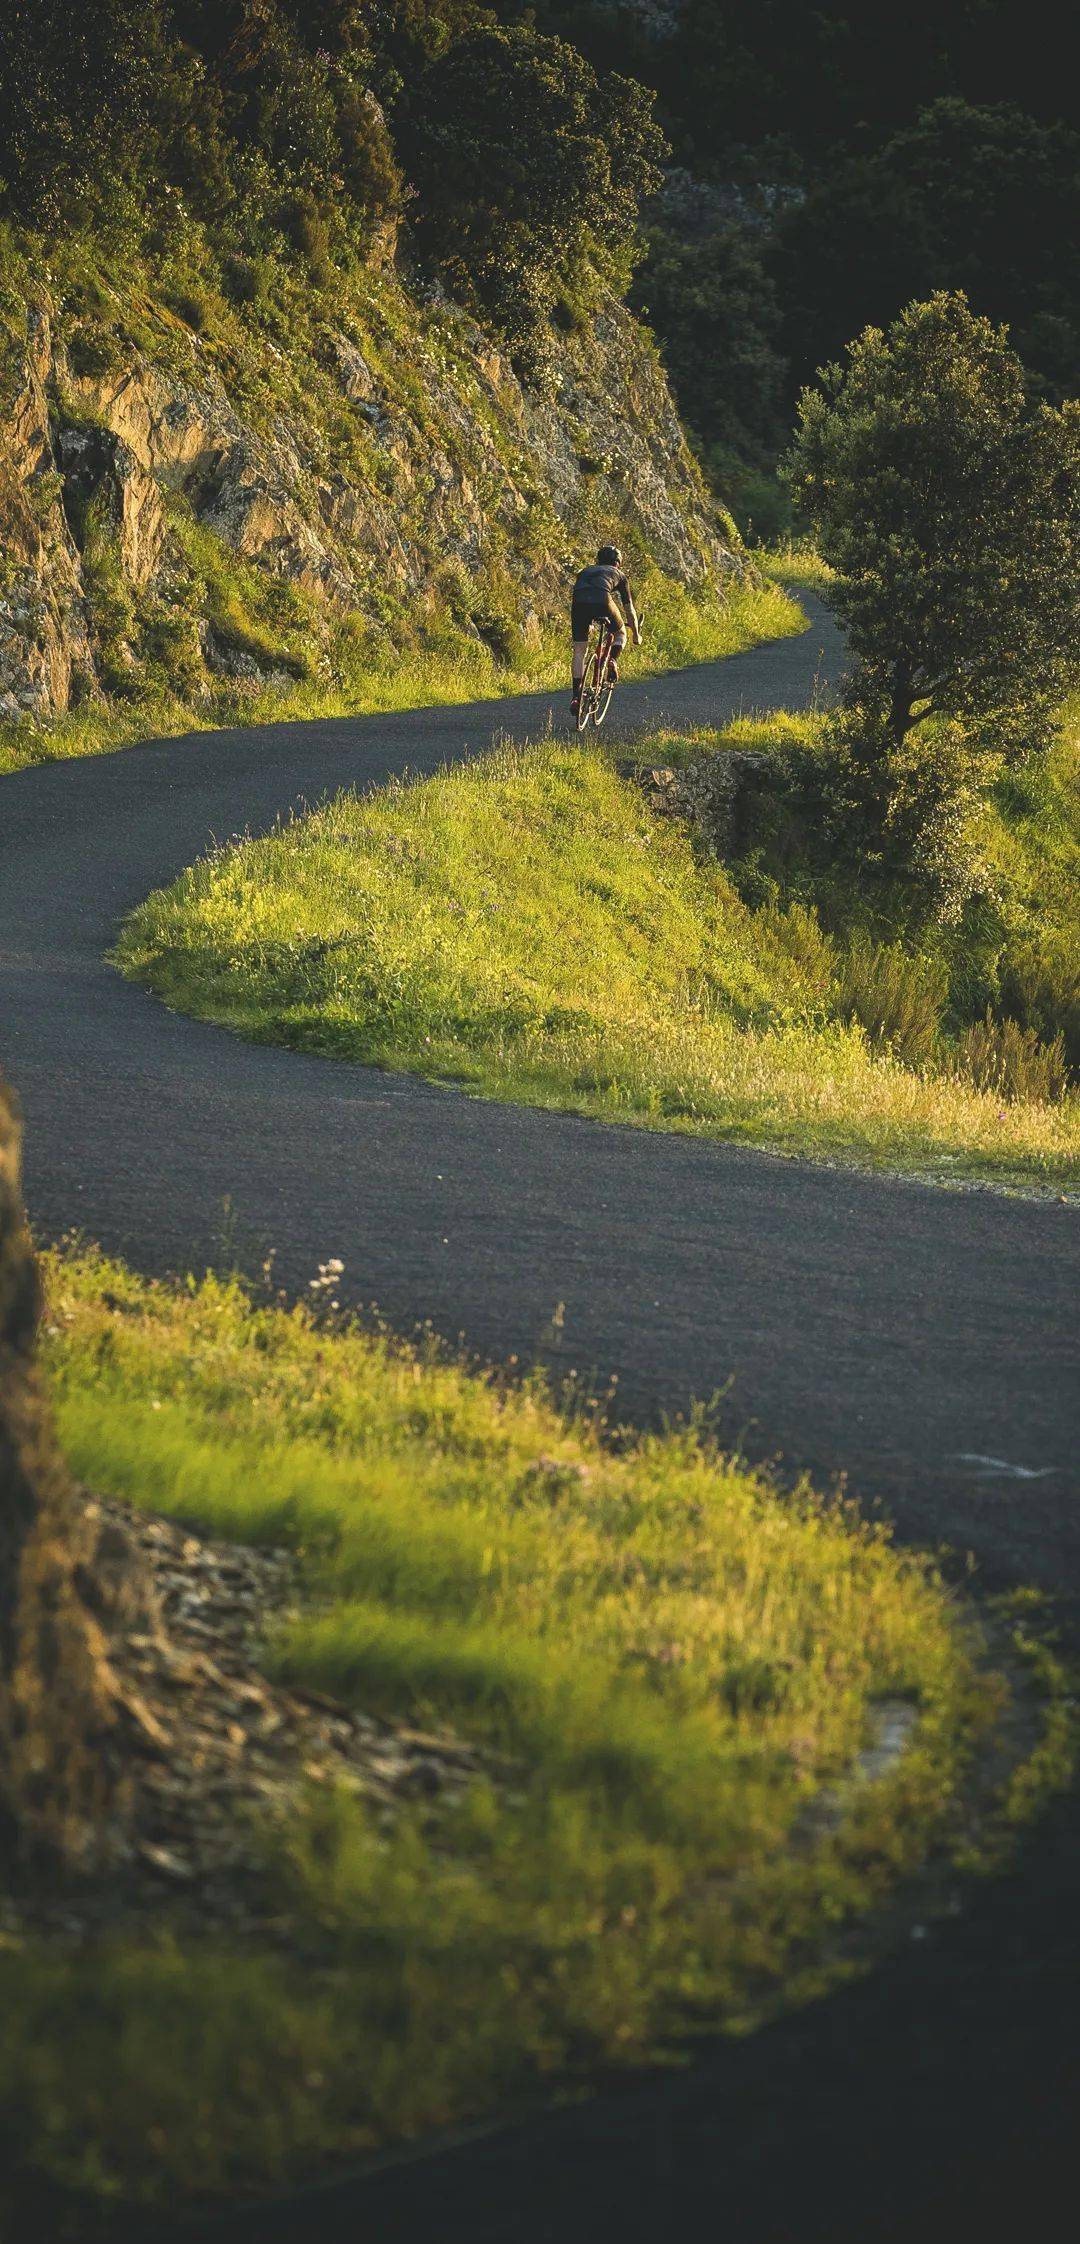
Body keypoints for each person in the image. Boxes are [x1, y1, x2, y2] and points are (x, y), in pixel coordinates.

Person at [570, 545, 642, 718]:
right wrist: (636, 634)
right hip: (602, 600)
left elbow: (582, 591)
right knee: (620, 633)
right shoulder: (620, 575)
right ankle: (612, 660)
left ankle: (576, 696)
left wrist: (588, 621)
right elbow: (629, 609)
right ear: (618, 563)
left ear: (598, 561)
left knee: (579, 650)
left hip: (579, 603)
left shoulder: (585, 571)